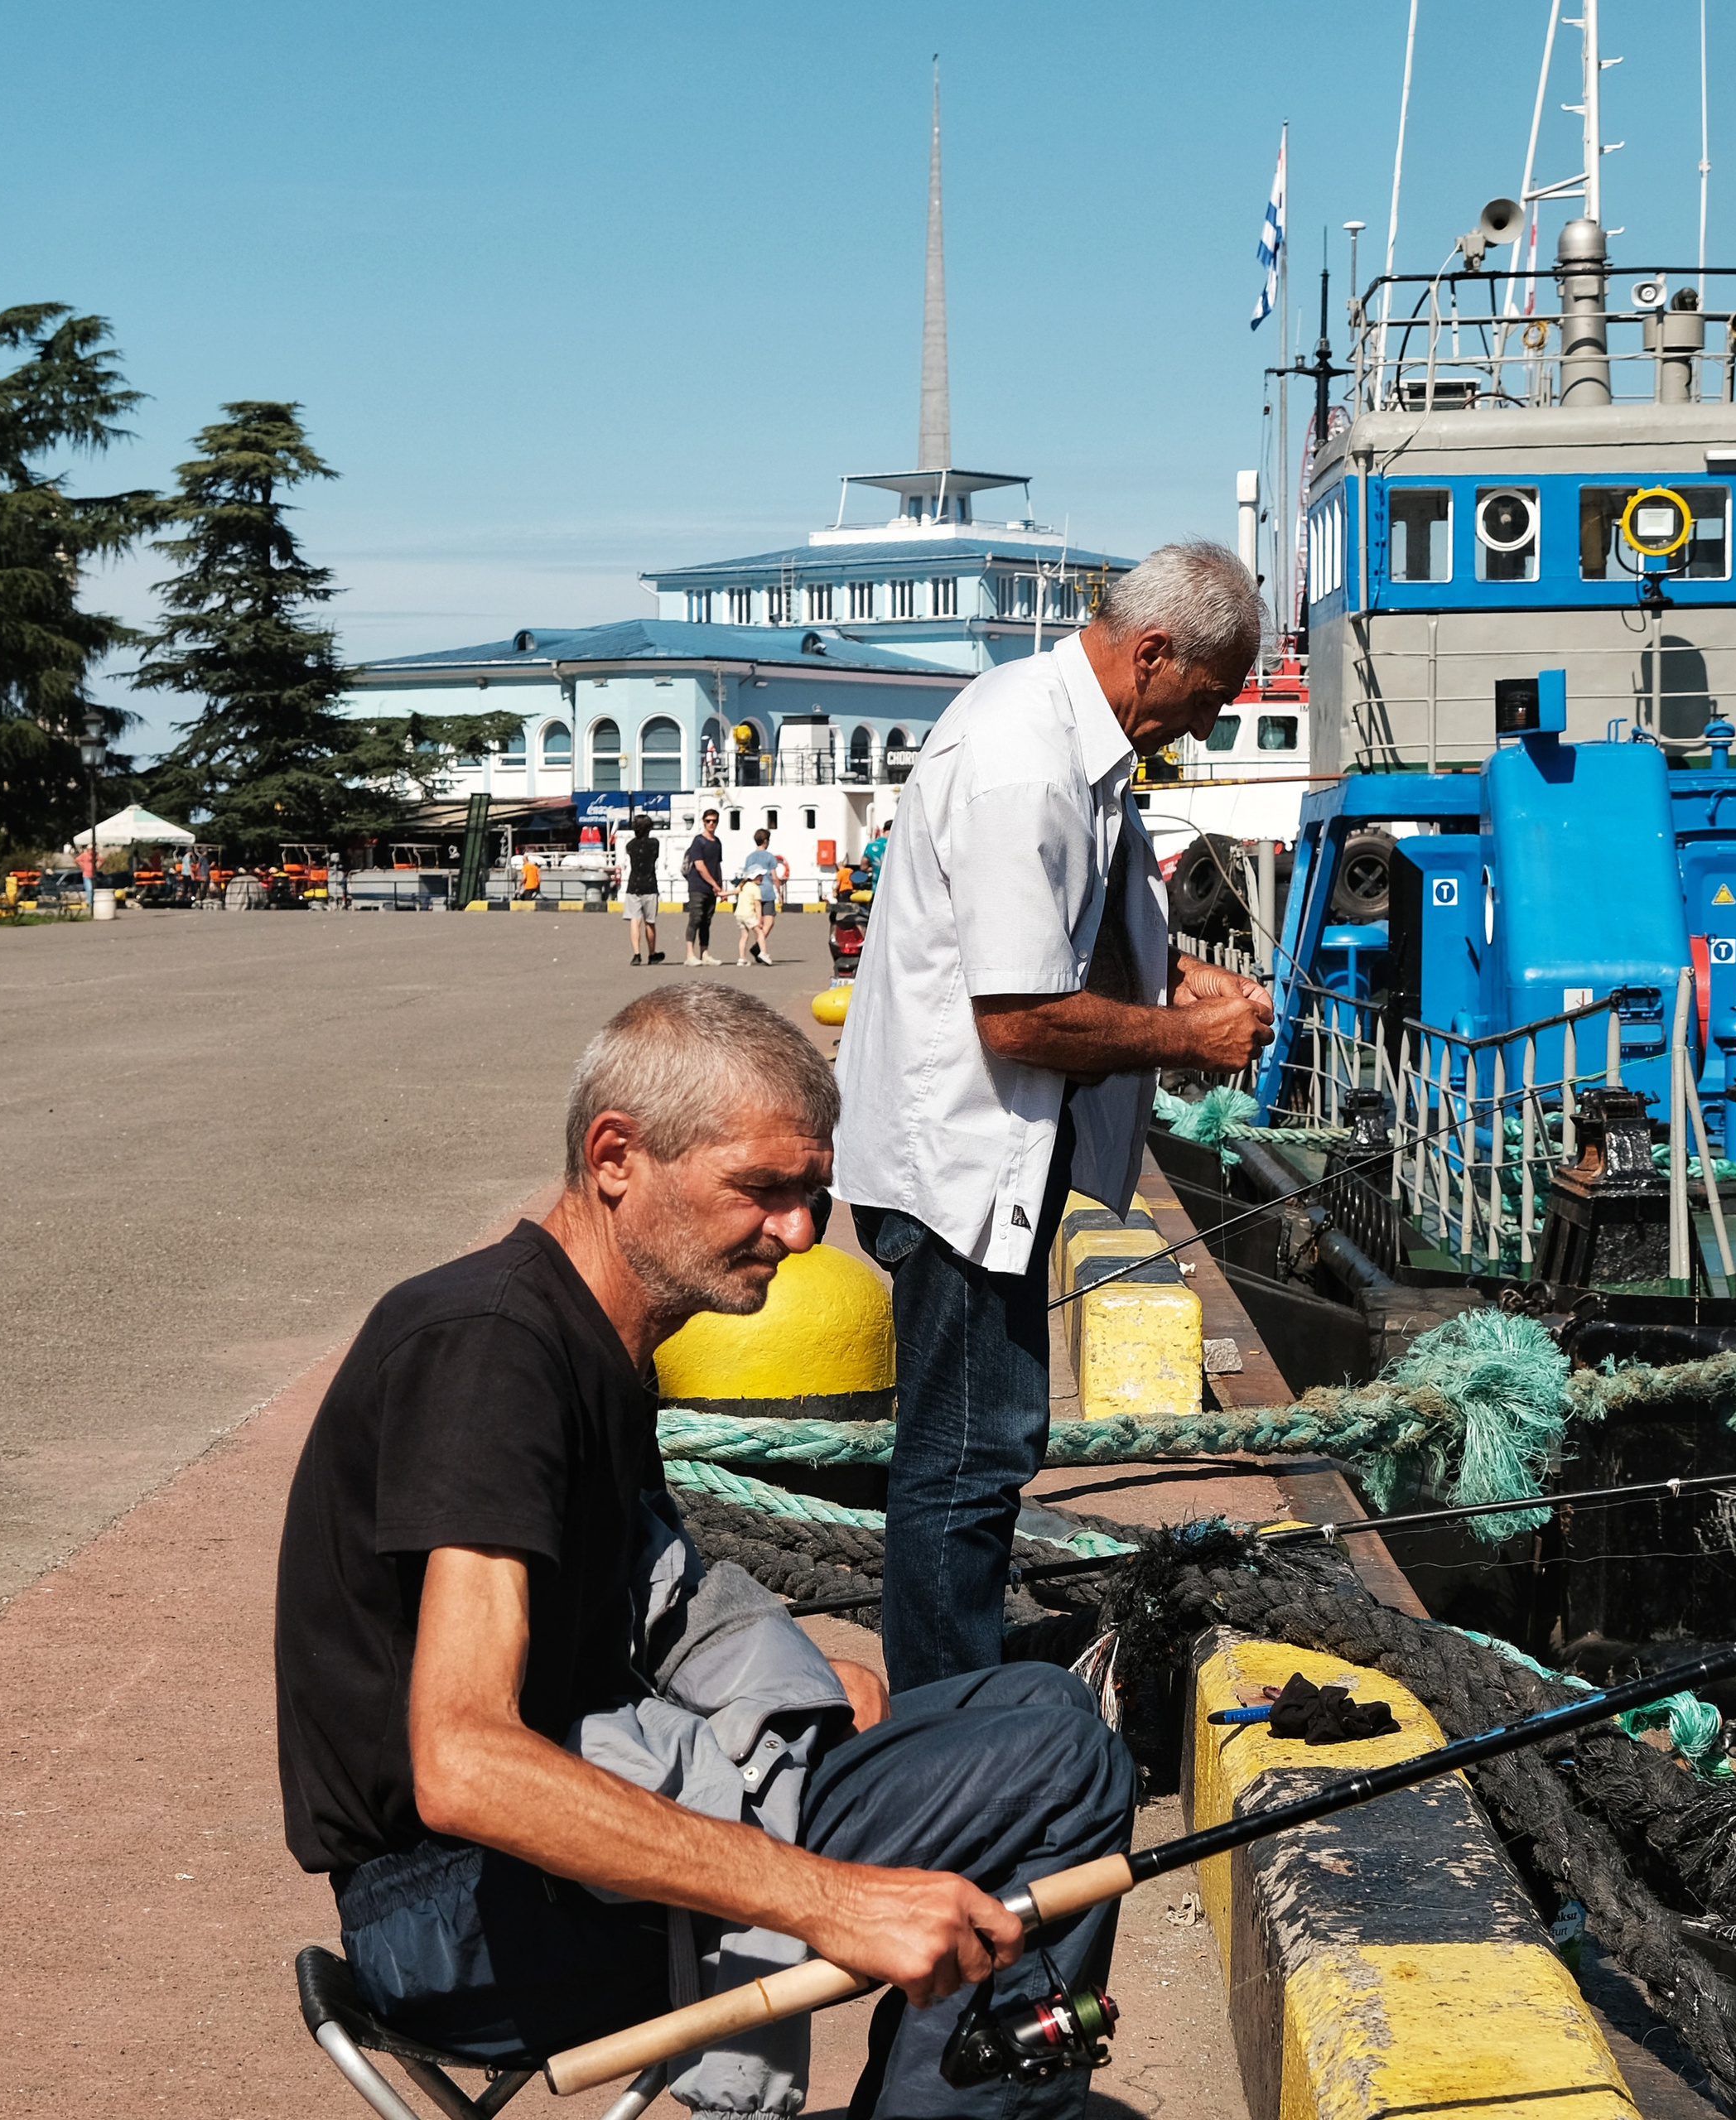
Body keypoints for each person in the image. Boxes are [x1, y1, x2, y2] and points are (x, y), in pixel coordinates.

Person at [274, 987, 1133, 2119]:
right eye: (763, 1190)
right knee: (1055, 1774)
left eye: (813, 1194)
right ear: (617, 1155)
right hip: (453, 1921)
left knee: (1044, 1708)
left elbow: (656, 1602)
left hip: (525, 1882)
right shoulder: (490, 1356)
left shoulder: (588, 1343)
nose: (799, 1231)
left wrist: (800, 1686)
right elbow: (463, 1760)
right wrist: (827, 1899)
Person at [834, 540, 1275, 1694]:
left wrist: (1181, 984)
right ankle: (949, 1728)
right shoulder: (1027, 761)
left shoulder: (1073, 738)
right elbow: (1021, 1017)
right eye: (1211, 700)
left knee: (985, 1447)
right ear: (1154, 654)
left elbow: (1072, 936)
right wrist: (1193, 1038)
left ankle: (957, 1692)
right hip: (960, 1168)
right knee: (969, 1460)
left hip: (988, 1157)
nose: (1208, 724)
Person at [620, 813, 663, 964]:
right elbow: (655, 857)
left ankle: (637, 954)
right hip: (650, 885)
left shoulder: (630, 845)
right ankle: (652, 954)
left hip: (634, 885)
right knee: (650, 922)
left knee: (635, 920)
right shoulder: (654, 844)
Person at [683, 807, 724, 966]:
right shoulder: (698, 841)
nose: (711, 824)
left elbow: (717, 865)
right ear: (703, 822)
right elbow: (699, 866)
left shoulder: (718, 842)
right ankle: (690, 955)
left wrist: (720, 886)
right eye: (708, 821)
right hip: (697, 886)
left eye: (714, 821)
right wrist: (714, 884)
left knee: (707, 920)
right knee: (696, 918)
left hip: (712, 888)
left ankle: (705, 953)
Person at [740, 827, 781, 965]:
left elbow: (746, 876)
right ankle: (758, 948)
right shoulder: (770, 857)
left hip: (752, 892)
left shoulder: (749, 857)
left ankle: (758, 947)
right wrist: (780, 893)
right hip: (767, 892)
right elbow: (774, 877)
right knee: (769, 923)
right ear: (765, 841)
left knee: (758, 924)